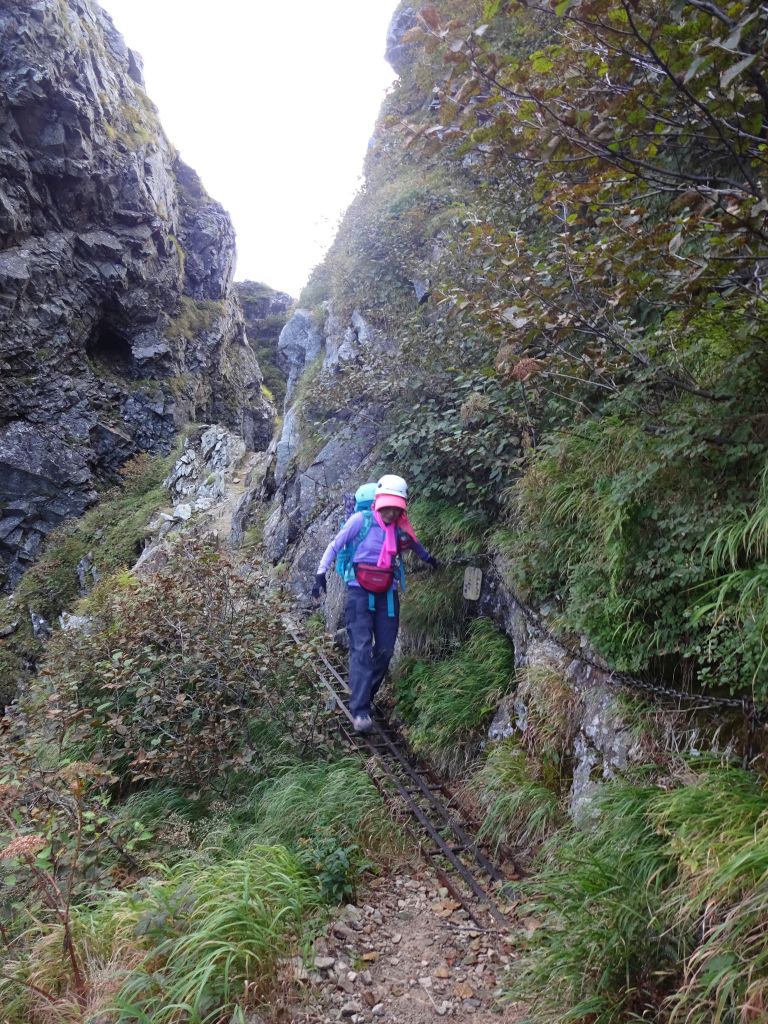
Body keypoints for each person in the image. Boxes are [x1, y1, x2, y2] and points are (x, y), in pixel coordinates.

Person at [312, 474, 438, 732]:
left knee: (385, 651)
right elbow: (335, 545)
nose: (391, 512)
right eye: (388, 506)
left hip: (387, 594)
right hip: (358, 592)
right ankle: (360, 711)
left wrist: (431, 560)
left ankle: (364, 697)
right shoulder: (361, 521)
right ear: (379, 503)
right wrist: (320, 574)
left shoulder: (401, 529)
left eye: (397, 507)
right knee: (360, 648)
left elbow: (415, 545)